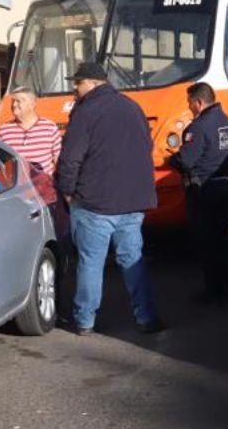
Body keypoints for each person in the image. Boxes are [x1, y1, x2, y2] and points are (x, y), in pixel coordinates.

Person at [55, 62, 162, 335]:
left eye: (77, 84)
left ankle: (84, 321)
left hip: (94, 201)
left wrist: (67, 191)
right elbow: (147, 147)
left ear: (90, 83)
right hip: (132, 200)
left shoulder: (86, 111)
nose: (74, 90)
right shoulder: (132, 107)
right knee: (132, 259)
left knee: (91, 262)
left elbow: (70, 158)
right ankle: (146, 316)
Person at [169, 83, 228, 304]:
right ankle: (224, 287)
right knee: (221, 240)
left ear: (199, 103)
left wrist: (172, 159)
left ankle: (213, 292)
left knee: (208, 244)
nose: (189, 108)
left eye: (190, 103)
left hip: (203, 191)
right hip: (225, 187)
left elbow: (187, 160)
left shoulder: (198, 128)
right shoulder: (227, 122)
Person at [0, 86, 67, 244]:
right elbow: (0, 164)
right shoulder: (4, 130)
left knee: (52, 236)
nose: (14, 105)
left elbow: (59, 160)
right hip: (17, 196)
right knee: (25, 240)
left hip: (45, 194)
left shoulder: (49, 128)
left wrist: (64, 190)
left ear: (32, 104)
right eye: (13, 102)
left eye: (19, 101)